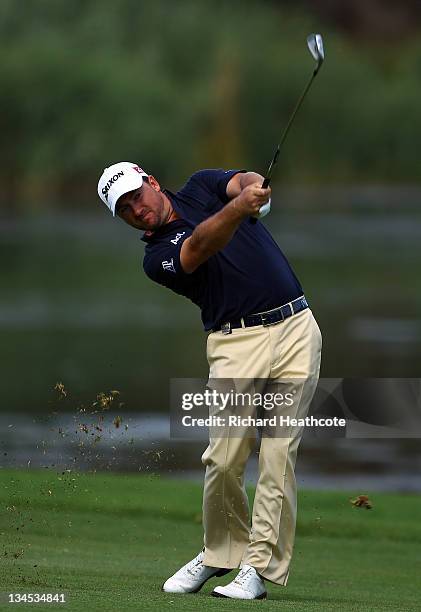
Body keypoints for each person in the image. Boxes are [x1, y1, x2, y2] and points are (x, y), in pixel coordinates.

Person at [97, 162, 322, 600]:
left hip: (297, 325)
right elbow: (201, 244)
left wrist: (256, 190)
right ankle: (219, 553)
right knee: (224, 458)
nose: (136, 210)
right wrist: (240, 207)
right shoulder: (156, 257)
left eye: (136, 196)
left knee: (278, 456)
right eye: (124, 209)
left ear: (152, 183)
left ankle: (257, 569)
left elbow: (242, 181)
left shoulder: (202, 186)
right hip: (235, 342)